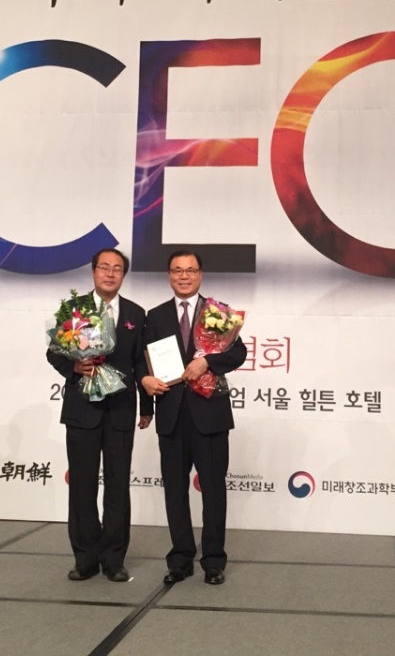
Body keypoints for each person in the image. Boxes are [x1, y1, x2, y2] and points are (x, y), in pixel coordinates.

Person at [140, 249, 246, 586]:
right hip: (171, 414)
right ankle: (180, 559)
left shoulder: (218, 313)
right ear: (169, 275)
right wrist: (145, 384)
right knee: (174, 488)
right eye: (177, 270)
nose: (184, 276)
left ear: (200, 274)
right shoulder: (155, 315)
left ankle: (213, 560)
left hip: (210, 414)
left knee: (213, 488)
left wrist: (207, 362)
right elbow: (143, 361)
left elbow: (239, 352)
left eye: (190, 270)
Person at [46, 248, 153, 582]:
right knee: (82, 485)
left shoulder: (136, 313)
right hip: (83, 409)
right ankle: (85, 558)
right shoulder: (73, 309)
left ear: (124, 275)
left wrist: (147, 406)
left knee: (118, 486)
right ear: (93, 272)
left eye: (117, 269)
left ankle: (114, 558)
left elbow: (140, 362)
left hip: (121, 409)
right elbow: (54, 353)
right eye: (104, 267)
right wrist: (74, 367)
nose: (110, 273)